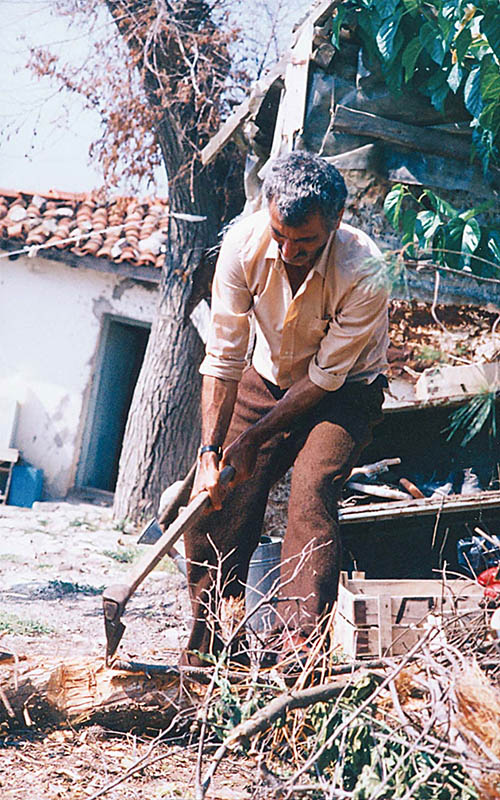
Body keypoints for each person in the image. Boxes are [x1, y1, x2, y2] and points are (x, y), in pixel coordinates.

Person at [182, 151, 389, 667]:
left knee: (311, 486)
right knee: (216, 489)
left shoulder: (365, 270)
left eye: (306, 242)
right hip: (269, 373)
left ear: (336, 223)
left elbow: (324, 379)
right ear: (269, 211)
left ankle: (296, 648)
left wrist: (252, 440)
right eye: (281, 235)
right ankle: (211, 638)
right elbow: (225, 355)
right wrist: (213, 450)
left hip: (344, 390)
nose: (290, 249)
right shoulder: (243, 243)